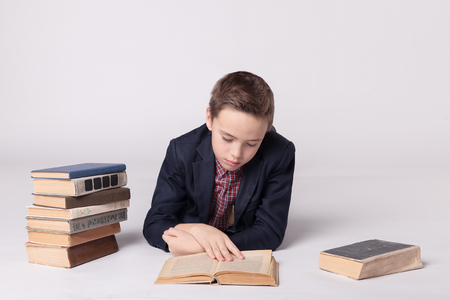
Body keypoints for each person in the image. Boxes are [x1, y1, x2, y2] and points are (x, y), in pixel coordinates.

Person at [143, 71, 295, 262]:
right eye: (227, 138)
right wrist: (197, 230)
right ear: (209, 118)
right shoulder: (181, 151)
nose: (236, 153)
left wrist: (203, 246)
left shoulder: (280, 153)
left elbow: (271, 231)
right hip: (197, 231)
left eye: (251, 143)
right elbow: (155, 223)